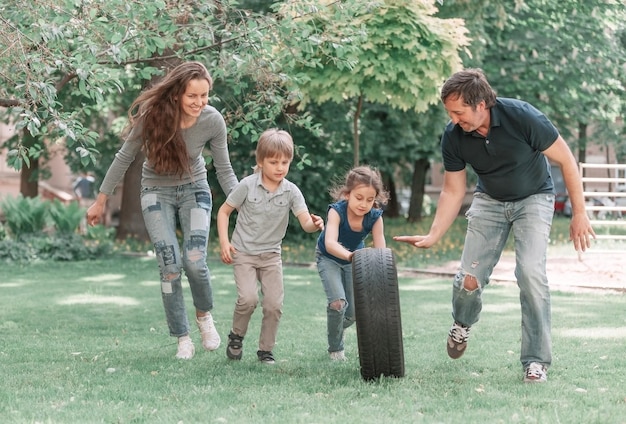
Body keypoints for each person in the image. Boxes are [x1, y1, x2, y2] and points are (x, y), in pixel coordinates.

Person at [394, 68, 595, 383]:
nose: (454, 118)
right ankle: (462, 324)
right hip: (489, 200)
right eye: (450, 112)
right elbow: (452, 189)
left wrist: (580, 213)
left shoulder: (523, 117)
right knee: (468, 280)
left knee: (531, 274)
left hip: (534, 198)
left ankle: (535, 361)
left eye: (459, 112)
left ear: (481, 104)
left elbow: (567, 160)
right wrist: (434, 234)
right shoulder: (454, 135)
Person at [86, 61, 238, 360]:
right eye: (192, 96)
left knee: (194, 261)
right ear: (177, 94)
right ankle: (182, 337)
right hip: (156, 191)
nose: (199, 102)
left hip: (195, 190)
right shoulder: (152, 116)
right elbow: (124, 157)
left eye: (205, 95)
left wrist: (241, 201)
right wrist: (101, 199)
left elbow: (224, 169)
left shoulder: (212, 120)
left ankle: (204, 316)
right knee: (170, 265)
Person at [216, 128, 324, 364]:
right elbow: (224, 212)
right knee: (248, 299)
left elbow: (304, 221)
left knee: (274, 304)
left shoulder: (291, 191)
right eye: (273, 162)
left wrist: (314, 224)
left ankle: (265, 350)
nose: (280, 167)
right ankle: (236, 336)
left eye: (285, 162)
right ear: (261, 161)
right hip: (243, 252)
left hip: (271, 255)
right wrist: (225, 242)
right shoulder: (247, 185)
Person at [315, 166, 388, 361]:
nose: (364, 204)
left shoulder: (375, 218)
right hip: (328, 257)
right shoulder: (336, 211)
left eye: (370, 199)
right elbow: (330, 243)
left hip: (354, 260)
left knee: (354, 313)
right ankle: (335, 349)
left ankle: (335, 327)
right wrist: (350, 256)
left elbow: (381, 251)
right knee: (338, 303)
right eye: (359, 197)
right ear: (347, 194)